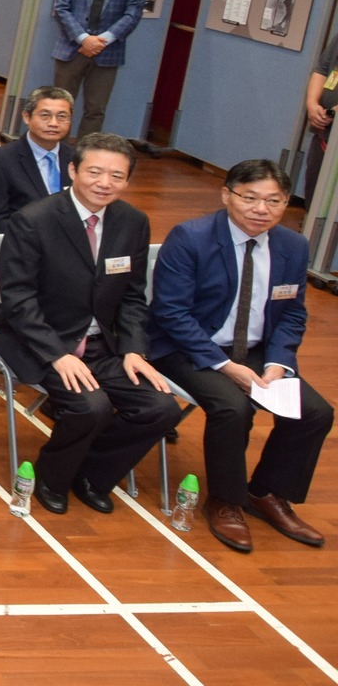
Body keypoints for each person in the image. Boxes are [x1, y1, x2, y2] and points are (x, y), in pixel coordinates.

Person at [148, 159, 334, 552]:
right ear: (226, 195)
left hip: (255, 351)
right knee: (233, 408)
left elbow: (292, 312)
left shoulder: (293, 246)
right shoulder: (191, 237)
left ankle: (266, 492)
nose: (261, 209)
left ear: (286, 203)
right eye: (250, 198)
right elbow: (171, 312)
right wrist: (225, 366)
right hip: (187, 348)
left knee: (315, 412)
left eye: (274, 201)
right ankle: (225, 501)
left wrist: (278, 363)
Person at [0, 133, 178, 515]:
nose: (104, 183)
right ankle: (51, 477)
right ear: (73, 170)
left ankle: (92, 474)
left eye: (116, 176)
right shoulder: (34, 220)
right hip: (39, 340)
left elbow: (132, 296)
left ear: (127, 181)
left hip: (101, 344)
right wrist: (57, 354)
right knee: (90, 407)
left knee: (161, 408)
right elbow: (19, 300)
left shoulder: (133, 222)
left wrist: (133, 349)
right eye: (95, 172)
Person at [53, 0, 149, 139]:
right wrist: (84, 39)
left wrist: (102, 40)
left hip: (107, 52)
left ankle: (85, 151)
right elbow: (62, 8)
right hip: (71, 48)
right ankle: (57, 149)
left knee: (96, 109)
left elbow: (133, 13)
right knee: (60, 106)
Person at [0, 85, 76, 235]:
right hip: (24, 239)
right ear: (26, 117)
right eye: (45, 115)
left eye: (62, 116)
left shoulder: (76, 158)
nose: (54, 123)